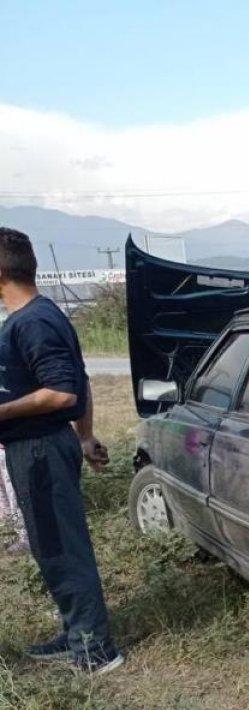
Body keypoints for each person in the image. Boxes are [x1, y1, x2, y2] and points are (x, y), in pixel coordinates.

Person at [0, 228, 119, 673]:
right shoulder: (38, 315)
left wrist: (3, 412)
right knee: (53, 546)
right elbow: (80, 378)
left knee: (62, 550)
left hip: (40, 450)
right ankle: (76, 635)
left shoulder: (32, 322)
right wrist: (86, 438)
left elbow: (62, 392)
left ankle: (95, 651)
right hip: (40, 447)